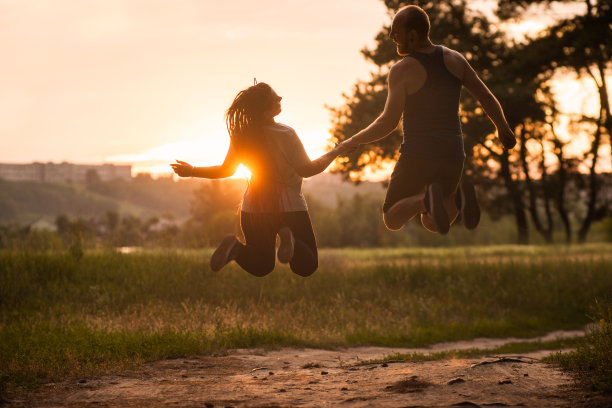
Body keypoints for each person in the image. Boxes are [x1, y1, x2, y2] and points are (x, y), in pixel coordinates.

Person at [341, 5, 516, 234]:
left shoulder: (402, 70)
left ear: (412, 35)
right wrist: (503, 128)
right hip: (453, 153)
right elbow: (485, 96)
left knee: (392, 218)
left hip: (418, 154)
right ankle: (458, 199)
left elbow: (387, 122)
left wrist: (351, 141)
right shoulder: (455, 59)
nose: (391, 36)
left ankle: (426, 201)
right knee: (434, 222)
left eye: (396, 31)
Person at [171, 82, 350, 276]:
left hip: (253, 210)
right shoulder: (286, 134)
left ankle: (235, 248)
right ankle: (291, 240)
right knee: (307, 266)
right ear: (265, 111)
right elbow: (308, 169)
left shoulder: (241, 135)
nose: (280, 98)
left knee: (261, 266)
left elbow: (226, 171)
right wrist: (336, 151)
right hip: (289, 210)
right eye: (275, 98)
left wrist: (192, 170)